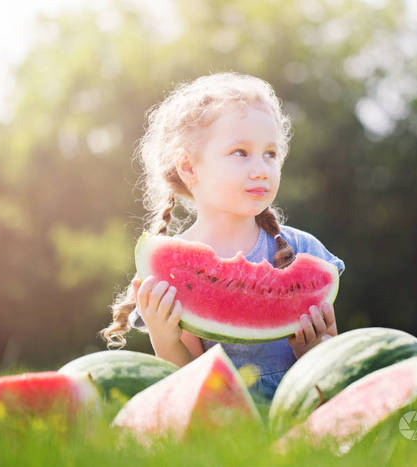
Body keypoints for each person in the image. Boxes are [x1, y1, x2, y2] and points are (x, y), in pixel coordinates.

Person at [100, 72, 345, 405]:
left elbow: (335, 371)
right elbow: (187, 383)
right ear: (188, 167)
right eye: (240, 152)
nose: (261, 169)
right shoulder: (173, 275)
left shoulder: (304, 253)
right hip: (224, 421)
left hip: (299, 413)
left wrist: (318, 350)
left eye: (270, 154)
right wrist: (163, 337)